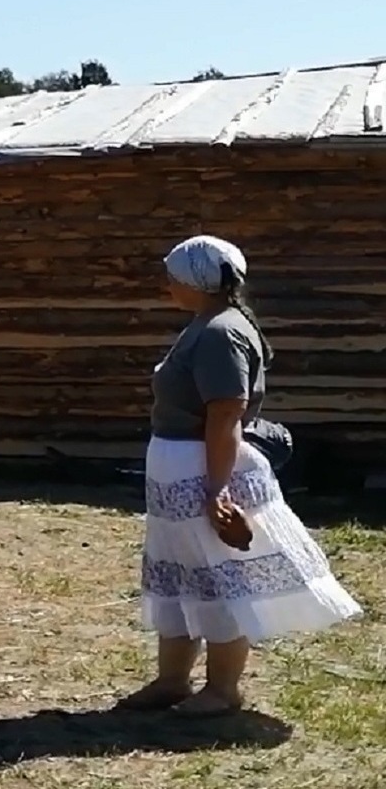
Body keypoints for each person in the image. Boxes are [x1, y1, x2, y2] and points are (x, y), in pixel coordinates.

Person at [116, 234, 363, 717]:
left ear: (194, 281)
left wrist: (216, 489)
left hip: (202, 468)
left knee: (216, 577)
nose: (167, 285)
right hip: (178, 470)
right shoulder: (206, 324)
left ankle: (222, 688)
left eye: (173, 277)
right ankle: (172, 681)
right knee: (180, 574)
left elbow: (225, 414)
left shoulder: (220, 333)